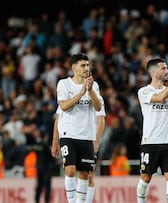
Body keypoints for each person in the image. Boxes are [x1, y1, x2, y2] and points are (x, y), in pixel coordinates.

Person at [136, 58, 168, 203]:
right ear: (153, 73)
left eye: (167, 68)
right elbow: (160, 98)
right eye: (163, 68)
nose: (167, 71)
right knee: (146, 177)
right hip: (151, 142)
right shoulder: (144, 91)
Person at [52, 53, 102, 203]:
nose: (86, 68)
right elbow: (64, 106)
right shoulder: (64, 84)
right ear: (74, 68)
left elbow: (99, 108)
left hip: (87, 135)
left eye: (87, 65)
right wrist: (81, 92)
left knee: (84, 174)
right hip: (69, 133)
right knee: (70, 169)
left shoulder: (94, 86)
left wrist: (90, 90)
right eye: (83, 65)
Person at [51, 98, 106, 203]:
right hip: (70, 136)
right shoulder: (68, 94)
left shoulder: (94, 95)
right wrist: (55, 141)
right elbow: (58, 119)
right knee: (70, 170)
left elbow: (101, 119)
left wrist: (97, 139)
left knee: (88, 173)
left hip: (88, 138)